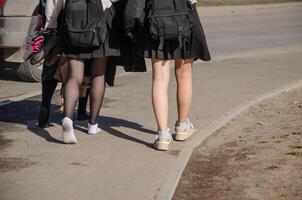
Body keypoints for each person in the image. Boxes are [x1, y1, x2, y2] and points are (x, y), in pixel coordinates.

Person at [141, 0, 211, 150]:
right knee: (184, 75)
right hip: (185, 14)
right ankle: (182, 126)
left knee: (159, 79)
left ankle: (162, 135)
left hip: (156, 16)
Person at [35, 0, 90, 128]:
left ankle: (44, 112)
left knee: (50, 68)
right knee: (82, 70)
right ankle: (81, 111)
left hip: (56, 23)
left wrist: (43, 17)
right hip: (80, 24)